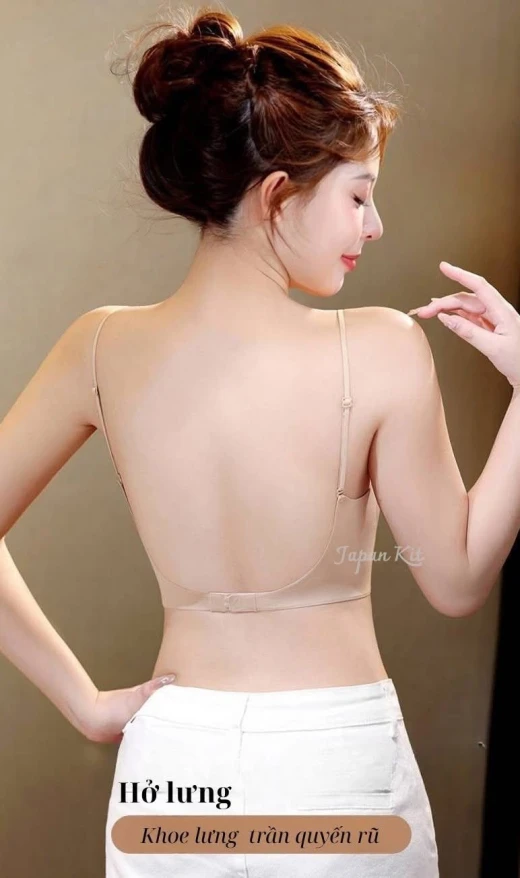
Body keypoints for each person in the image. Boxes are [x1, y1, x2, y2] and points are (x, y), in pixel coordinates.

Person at [1, 6, 519, 877]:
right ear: (278, 194)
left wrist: (86, 703)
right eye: (359, 195)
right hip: (334, 771)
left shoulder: (98, 346)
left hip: (172, 768)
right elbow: (458, 578)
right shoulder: (381, 347)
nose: (374, 226)